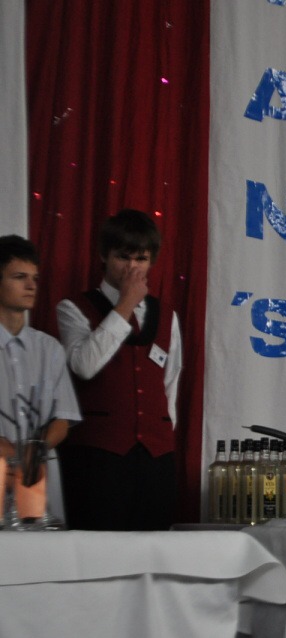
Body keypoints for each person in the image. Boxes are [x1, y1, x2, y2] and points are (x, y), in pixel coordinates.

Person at [56, 209, 182, 530]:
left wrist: (161, 436)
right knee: (98, 548)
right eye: (123, 257)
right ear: (104, 255)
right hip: (98, 456)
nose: (132, 267)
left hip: (155, 456)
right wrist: (125, 304)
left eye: (141, 259)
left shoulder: (166, 315)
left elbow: (170, 384)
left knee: (155, 547)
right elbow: (84, 365)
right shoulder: (74, 308)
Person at [0, 235, 81, 522]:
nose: (31, 285)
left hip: (39, 472)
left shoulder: (49, 348)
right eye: (19, 277)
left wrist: (36, 449)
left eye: (34, 277)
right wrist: (10, 453)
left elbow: (63, 418)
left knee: (41, 543)